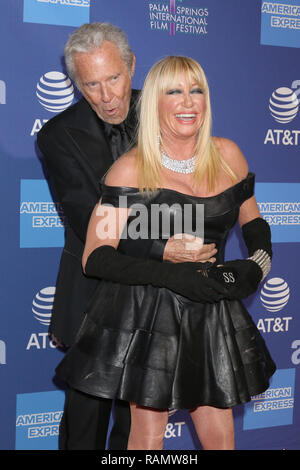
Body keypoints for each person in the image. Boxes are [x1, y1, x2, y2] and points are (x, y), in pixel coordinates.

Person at [55, 55, 276, 450]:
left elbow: (256, 228)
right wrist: (170, 270)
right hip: (150, 313)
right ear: (155, 101)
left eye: (196, 91)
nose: (188, 103)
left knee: (220, 434)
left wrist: (252, 269)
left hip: (210, 310)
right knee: (148, 434)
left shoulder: (228, 156)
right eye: (174, 92)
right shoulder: (130, 169)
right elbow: (96, 256)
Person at [37, 25, 218, 450]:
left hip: (154, 294)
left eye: (114, 79)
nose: (106, 97)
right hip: (92, 295)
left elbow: (191, 192)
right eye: (91, 85)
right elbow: (90, 222)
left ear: (132, 66)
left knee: (137, 424)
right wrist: (164, 246)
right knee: (85, 423)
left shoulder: (166, 113)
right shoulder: (56, 136)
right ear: (76, 84)